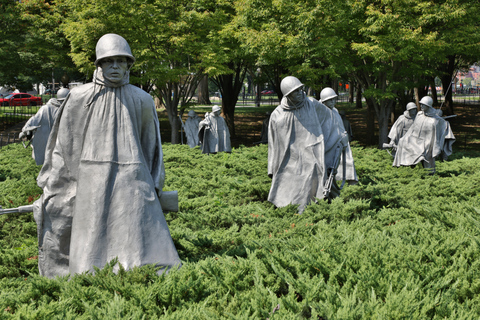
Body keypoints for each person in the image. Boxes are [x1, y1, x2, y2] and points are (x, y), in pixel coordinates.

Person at [36, 34, 181, 278]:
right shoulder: (79, 97)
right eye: (108, 61)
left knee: (134, 235)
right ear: (99, 65)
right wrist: (59, 184)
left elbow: (151, 147)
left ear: (128, 65)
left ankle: (138, 274)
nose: (114, 66)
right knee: (91, 236)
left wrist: (154, 184)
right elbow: (65, 146)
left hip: (133, 177)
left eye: (120, 61)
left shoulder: (143, 100)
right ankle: (88, 277)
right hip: (91, 177)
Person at [268, 76, 348, 213]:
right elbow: (273, 143)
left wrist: (338, 137)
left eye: (300, 89)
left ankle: (308, 210)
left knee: (311, 177)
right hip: (289, 157)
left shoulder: (312, 104)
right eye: (295, 91)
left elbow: (329, 119)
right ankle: (289, 209)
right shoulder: (277, 115)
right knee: (288, 180)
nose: (300, 93)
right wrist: (272, 167)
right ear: (288, 95)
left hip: (311, 152)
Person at [393, 96, 455, 174]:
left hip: (428, 142)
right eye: (421, 104)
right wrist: (406, 137)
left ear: (428, 106)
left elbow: (442, 127)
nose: (421, 106)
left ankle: (429, 172)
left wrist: (444, 123)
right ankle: (408, 165)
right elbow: (413, 129)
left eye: (423, 105)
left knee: (426, 152)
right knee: (402, 141)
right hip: (416, 139)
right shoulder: (419, 115)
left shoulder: (435, 120)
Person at [19, 88, 69, 165]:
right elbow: (34, 120)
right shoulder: (46, 108)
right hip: (48, 139)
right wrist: (25, 130)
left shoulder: (68, 110)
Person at [320, 87, 358, 185]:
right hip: (327, 143)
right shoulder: (320, 112)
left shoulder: (335, 111)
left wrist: (344, 136)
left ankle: (350, 179)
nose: (333, 101)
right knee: (327, 167)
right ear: (324, 101)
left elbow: (340, 126)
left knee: (347, 159)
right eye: (330, 100)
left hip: (340, 141)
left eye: (334, 99)